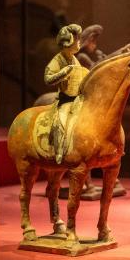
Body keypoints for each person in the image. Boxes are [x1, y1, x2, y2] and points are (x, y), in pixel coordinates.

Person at [44, 24, 83, 164]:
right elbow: (48, 78)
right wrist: (63, 73)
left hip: (78, 99)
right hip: (65, 100)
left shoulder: (74, 59)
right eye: (77, 39)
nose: (79, 42)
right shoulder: (58, 60)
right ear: (69, 42)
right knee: (60, 122)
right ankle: (59, 152)